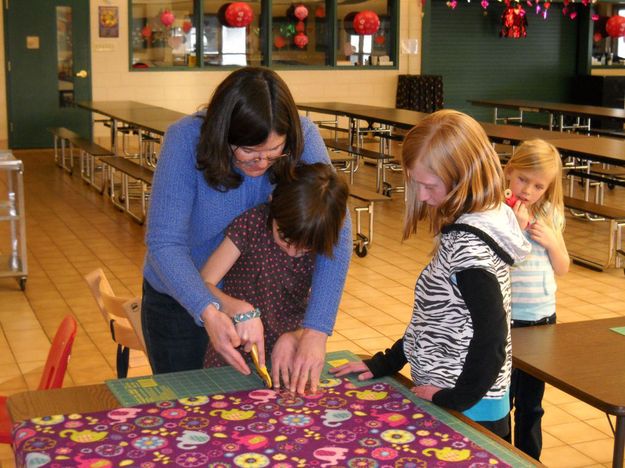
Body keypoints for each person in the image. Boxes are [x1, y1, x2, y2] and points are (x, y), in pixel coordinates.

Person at [141, 67, 352, 394]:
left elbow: (336, 230)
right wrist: (209, 309)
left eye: (274, 151)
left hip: (261, 307)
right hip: (182, 302)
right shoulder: (184, 140)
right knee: (184, 407)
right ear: (223, 134)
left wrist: (314, 331)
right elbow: (164, 243)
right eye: (249, 152)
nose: (262, 164)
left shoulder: (302, 137)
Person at [330, 109, 530, 438]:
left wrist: (455, 398)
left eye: (429, 185)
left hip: (469, 410)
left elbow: (492, 338)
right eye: (416, 183)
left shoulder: (469, 250)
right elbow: (433, 319)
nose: (421, 196)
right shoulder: (468, 227)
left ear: (464, 176)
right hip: (450, 394)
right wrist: (384, 363)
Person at [201, 163, 349, 377]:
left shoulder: (321, 238)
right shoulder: (251, 224)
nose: (292, 252)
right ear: (273, 203)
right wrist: (236, 308)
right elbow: (204, 282)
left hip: (287, 356)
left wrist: (296, 336)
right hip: (231, 352)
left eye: (304, 247)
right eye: (285, 238)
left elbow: (312, 313)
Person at [503, 139, 570, 460]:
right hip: (509, 320)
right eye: (522, 180)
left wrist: (554, 242)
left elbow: (563, 267)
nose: (528, 190)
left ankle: (530, 459)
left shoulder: (551, 215)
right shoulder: (500, 213)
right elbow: (504, 262)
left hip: (543, 319)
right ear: (509, 172)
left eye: (539, 185)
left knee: (532, 404)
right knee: (504, 397)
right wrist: (516, 230)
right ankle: (499, 454)